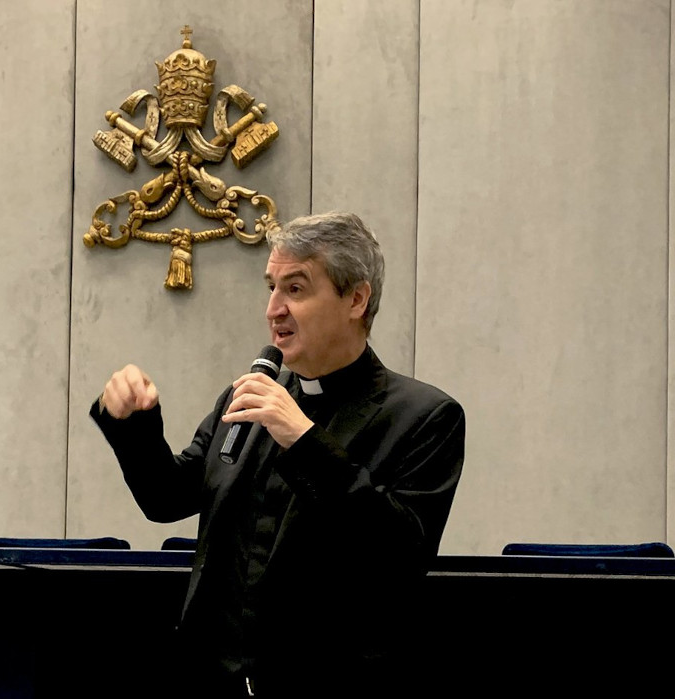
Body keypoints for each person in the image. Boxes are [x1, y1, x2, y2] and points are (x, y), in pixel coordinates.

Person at [90, 211, 465, 697]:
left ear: (356, 298)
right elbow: (168, 498)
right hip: (209, 683)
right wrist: (134, 425)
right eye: (271, 287)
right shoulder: (248, 395)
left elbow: (399, 552)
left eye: (295, 288)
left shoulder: (424, 416)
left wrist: (305, 440)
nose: (273, 309)